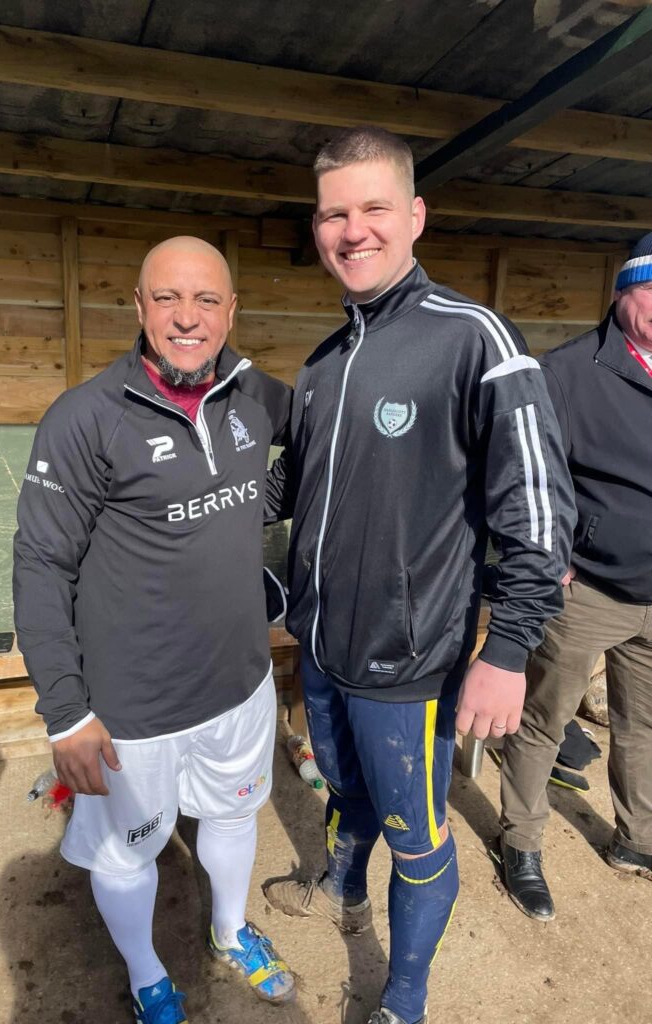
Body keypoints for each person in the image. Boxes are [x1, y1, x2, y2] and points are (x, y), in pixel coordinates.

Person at [263, 127, 575, 1024]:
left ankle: (404, 997)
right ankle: (340, 882)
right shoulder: (323, 364)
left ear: (414, 217)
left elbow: (538, 514)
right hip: (320, 649)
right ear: (318, 227)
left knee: (420, 837)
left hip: (411, 665)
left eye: (372, 209)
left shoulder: (475, 337)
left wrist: (508, 649)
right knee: (343, 788)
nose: (352, 230)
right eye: (333, 213)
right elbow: (291, 488)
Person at [13, 236, 295, 1024]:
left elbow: (320, 450)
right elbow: (41, 565)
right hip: (131, 706)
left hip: (239, 683)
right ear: (137, 308)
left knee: (234, 816)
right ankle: (147, 976)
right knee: (126, 850)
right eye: (167, 298)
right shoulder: (84, 419)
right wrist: (66, 712)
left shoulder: (256, 394)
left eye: (206, 300)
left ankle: (231, 931)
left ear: (231, 311)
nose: (186, 318)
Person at [498, 232, 652, 920]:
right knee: (542, 720)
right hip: (585, 586)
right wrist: (548, 556)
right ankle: (521, 845)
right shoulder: (565, 373)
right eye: (651, 294)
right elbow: (529, 476)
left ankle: (637, 838)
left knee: (642, 725)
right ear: (622, 295)